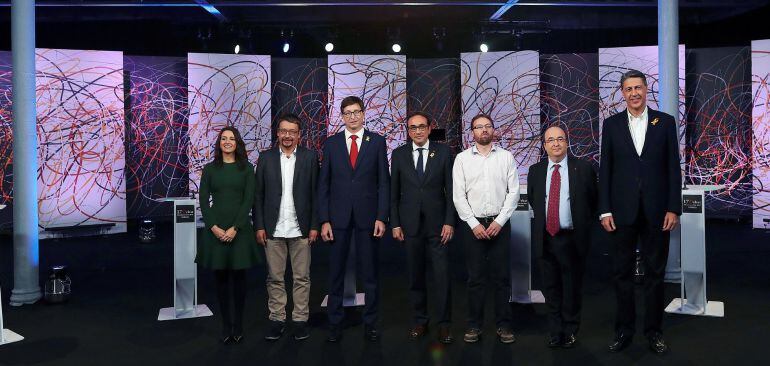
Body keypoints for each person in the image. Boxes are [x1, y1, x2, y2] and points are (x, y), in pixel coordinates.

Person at [599, 69, 682, 354]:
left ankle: (654, 331)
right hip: (621, 212)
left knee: (655, 274)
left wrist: (674, 207)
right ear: (622, 93)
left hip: (658, 211)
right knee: (621, 274)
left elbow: (674, 168)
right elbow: (605, 170)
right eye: (628, 89)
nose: (634, 93)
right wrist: (604, 209)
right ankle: (624, 330)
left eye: (638, 88)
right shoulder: (610, 125)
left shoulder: (666, 123)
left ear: (647, 90)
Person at [318, 96, 390, 342]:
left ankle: (371, 323)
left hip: (368, 218)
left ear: (363, 113)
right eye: (347, 113)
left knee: (369, 275)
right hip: (337, 219)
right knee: (336, 274)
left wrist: (382, 216)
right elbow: (323, 185)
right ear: (342, 115)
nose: (352, 117)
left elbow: (384, 183)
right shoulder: (331, 143)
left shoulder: (377, 142)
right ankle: (335, 324)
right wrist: (324, 219)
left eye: (356, 112)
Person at [527, 126, 597, 349]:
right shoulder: (535, 170)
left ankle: (570, 329)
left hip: (572, 238)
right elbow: (533, 199)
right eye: (550, 140)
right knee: (551, 287)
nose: (555, 143)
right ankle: (555, 330)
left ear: (567, 142)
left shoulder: (583, 168)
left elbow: (592, 201)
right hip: (546, 237)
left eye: (560, 139)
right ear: (545, 145)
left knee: (572, 287)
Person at [452, 114, 519, 344]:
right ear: (472, 132)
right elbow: (458, 196)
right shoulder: (461, 159)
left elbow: (514, 193)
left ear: (493, 130)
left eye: (487, 126)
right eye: (478, 127)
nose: (483, 130)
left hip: (500, 224)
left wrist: (499, 221)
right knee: (475, 279)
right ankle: (474, 325)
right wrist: (473, 224)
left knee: (502, 279)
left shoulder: (506, 157)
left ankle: (504, 326)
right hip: (473, 227)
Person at [253, 113, 319, 342]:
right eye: (284, 131)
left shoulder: (310, 158)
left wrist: (314, 226)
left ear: (299, 135)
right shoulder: (265, 158)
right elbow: (258, 195)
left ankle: (300, 320)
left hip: (301, 229)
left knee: (302, 278)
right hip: (273, 229)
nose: (288, 135)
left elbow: (315, 194)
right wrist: (259, 225)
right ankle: (277, 319)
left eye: (292, 131)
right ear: (277, 133)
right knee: (274, 278)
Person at [390, 111, 455, 344]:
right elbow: (393, 194)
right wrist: (395, 223)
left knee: (442, 276)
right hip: (409, 226)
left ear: (429, 128)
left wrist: (449, 221)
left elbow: (451, 192)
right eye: (412, 128)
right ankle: (420, 320)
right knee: (415, 276)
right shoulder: (398, 155)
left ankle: (444, 324)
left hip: (439, 226)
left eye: (421, 127)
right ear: (408, 131)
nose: (417, 131)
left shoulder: (445, 153)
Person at [196, 126, 260, 344]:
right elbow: (203, 201)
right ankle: (226, 325)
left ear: (237, 142)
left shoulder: (247, 168)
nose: (227, 142)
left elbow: (248, 200)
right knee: (221, 279)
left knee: (240, 280)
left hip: (239, 230)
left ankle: (239, 324)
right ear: (219, 143)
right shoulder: (210, 169)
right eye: (223, 138)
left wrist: (235, 228)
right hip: (216, 229)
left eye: (231, 138)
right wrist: (213, 226)